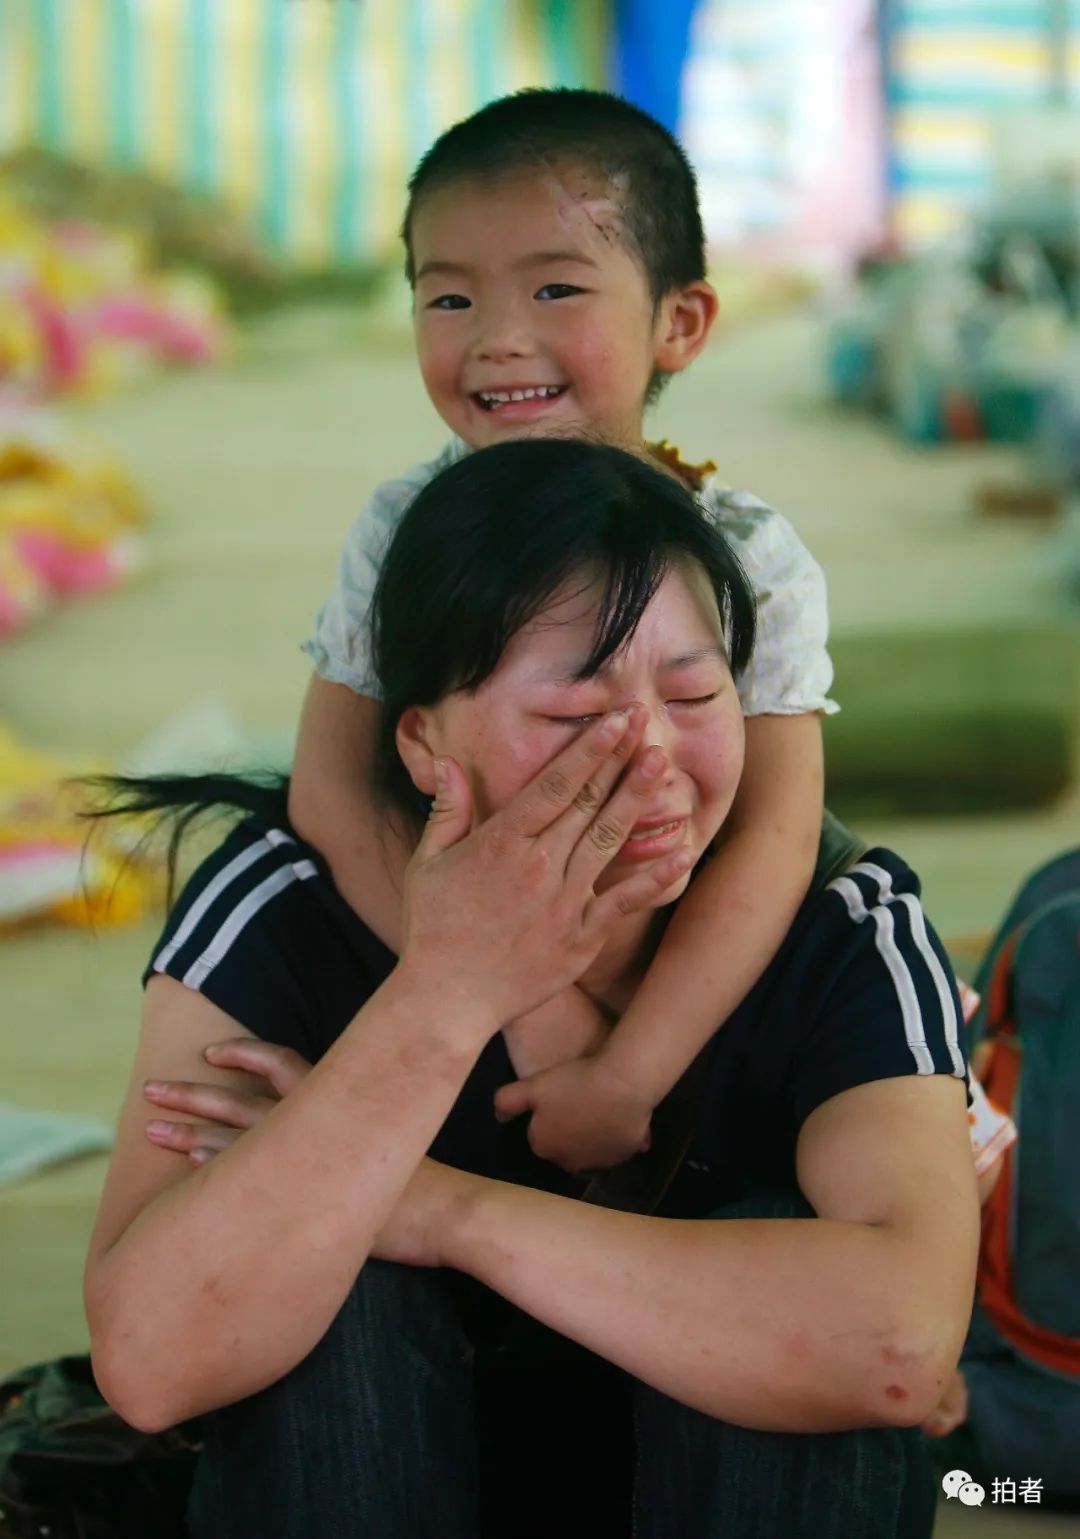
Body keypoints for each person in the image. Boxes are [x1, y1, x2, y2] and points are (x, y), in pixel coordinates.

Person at [85, 440, 978, 1538]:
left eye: (695, 693)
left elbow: (895, 1347)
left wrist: (434, 1210)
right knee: (325, 1275)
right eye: (569, 717)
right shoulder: (281, 908)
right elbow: (151, 1365)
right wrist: (447, 995)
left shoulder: (838, 932)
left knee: (790, 1278)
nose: (649, 755)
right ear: (421, 741)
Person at [290, 87, 836, 1175]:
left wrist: (630, 1069)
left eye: (556, 287)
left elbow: (778, 833)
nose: (498, 341)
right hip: (451, 951)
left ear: (678, 322)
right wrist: (520, 1002)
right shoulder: (403, 530)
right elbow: (337, 792)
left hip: (680, 971)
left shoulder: (751, 554)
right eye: (448, 301)